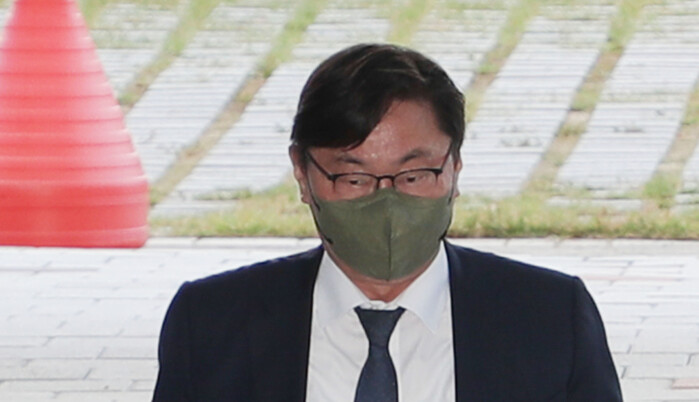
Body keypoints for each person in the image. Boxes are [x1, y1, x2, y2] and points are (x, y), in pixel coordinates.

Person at [153, 43, 622, 401]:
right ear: (302, 173)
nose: (387, 200)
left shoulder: (549, 317)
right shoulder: (212, 323)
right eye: (354, 178)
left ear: (455, 167)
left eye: (414, 175)